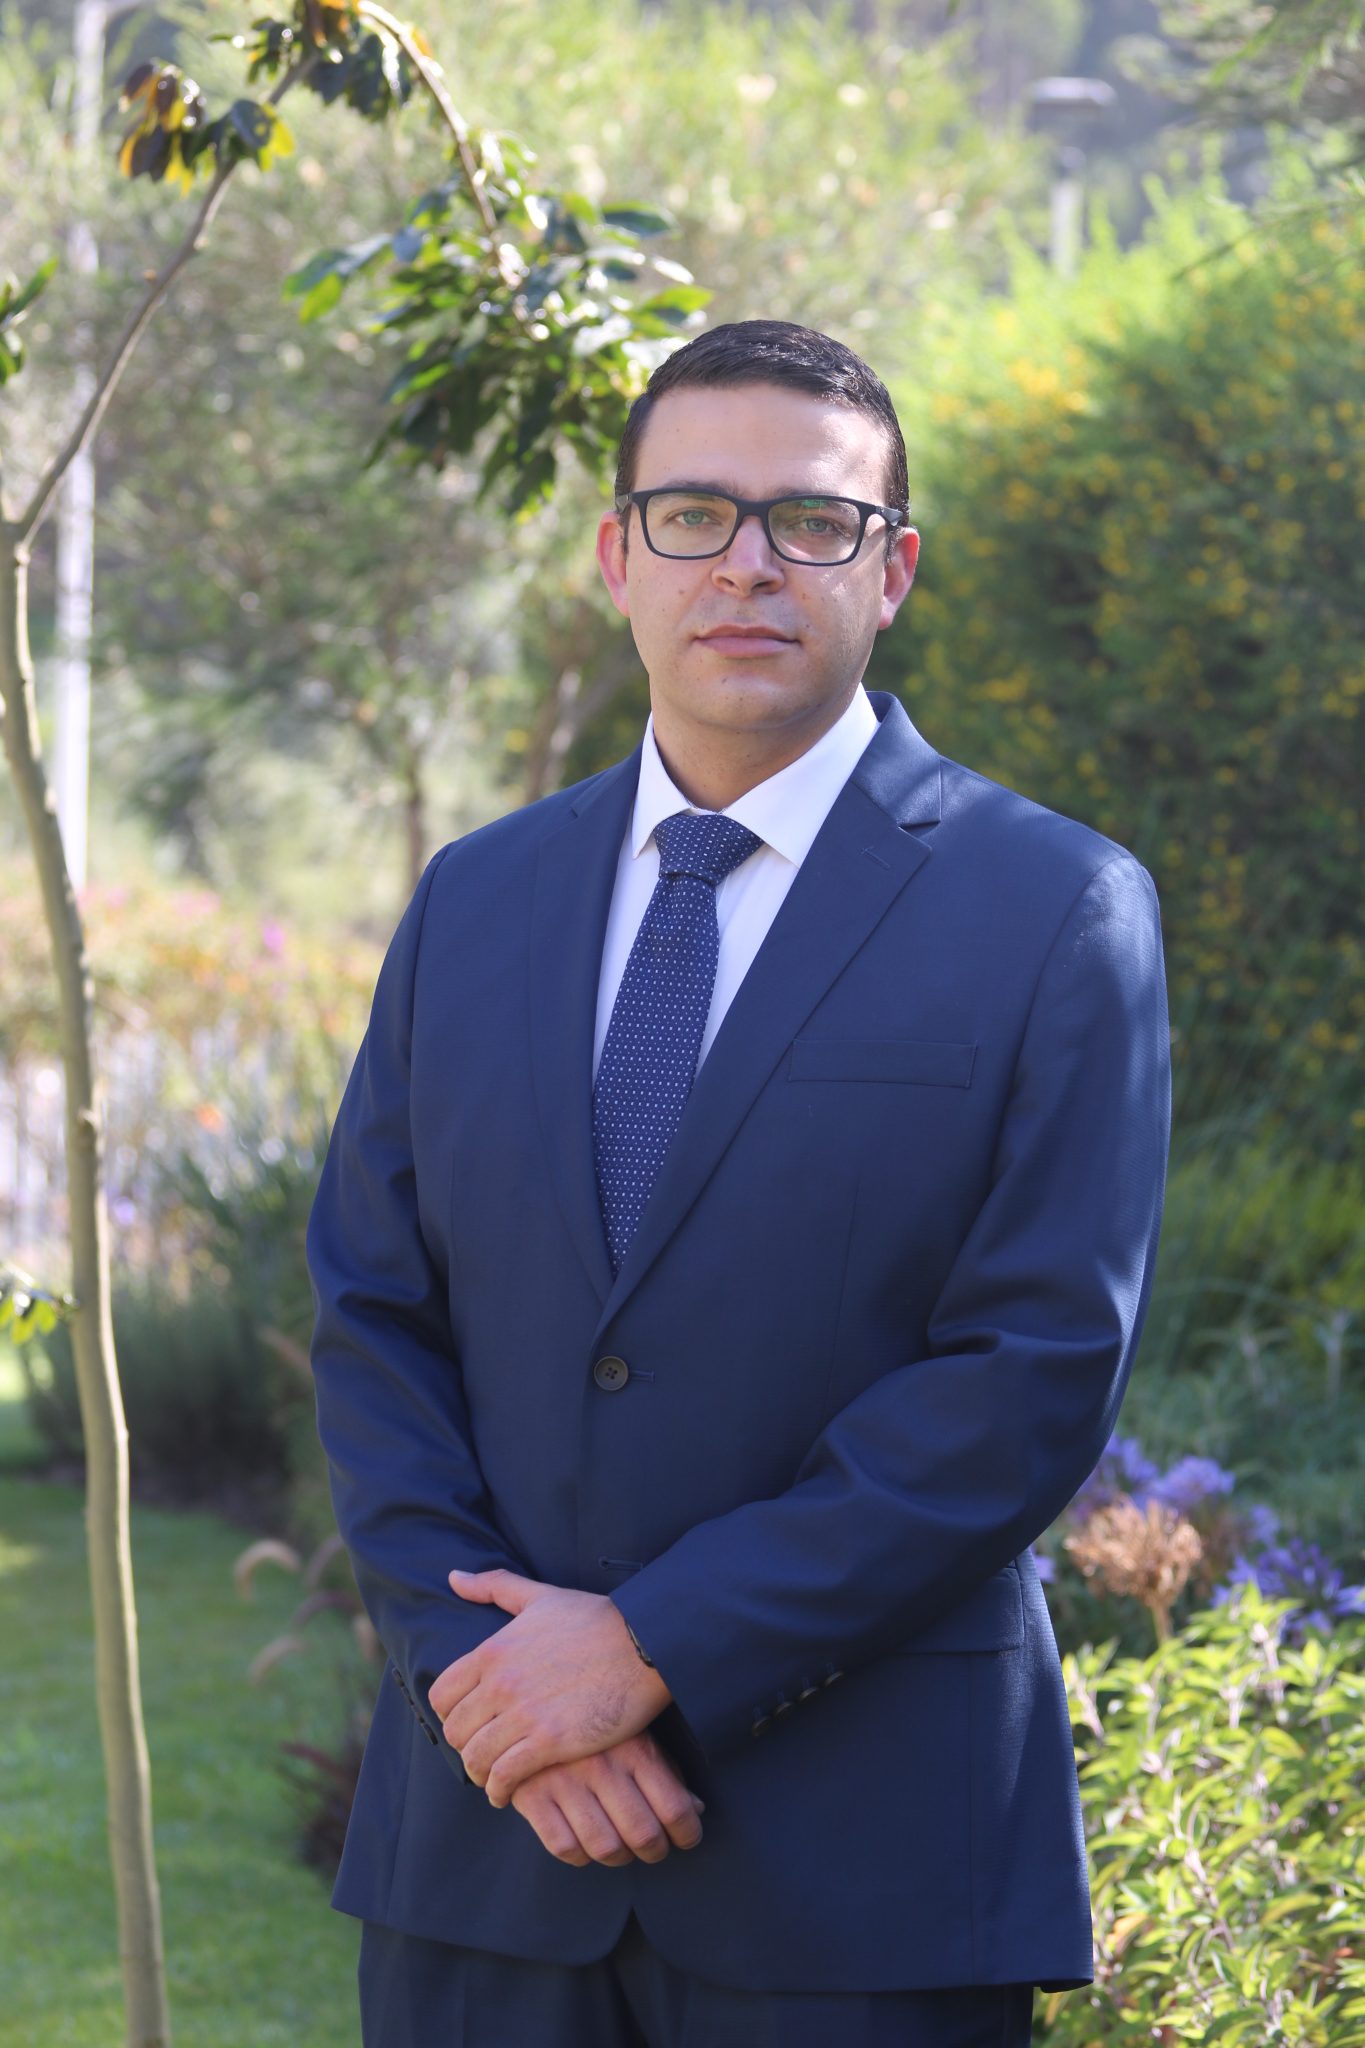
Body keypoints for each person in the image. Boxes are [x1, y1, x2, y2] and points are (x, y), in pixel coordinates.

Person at [305, 318, 1171, 2048]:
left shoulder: (1052, 907)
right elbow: (372, 1318)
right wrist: (497, 1693)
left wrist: (648, 1650)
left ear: (891, 570)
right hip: (487, 1852)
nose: (749, 564)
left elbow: (1027, 1376)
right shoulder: (474, 899)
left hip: (862, 1875)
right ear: (617, 557)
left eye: (813, 521)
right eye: (693, 514)